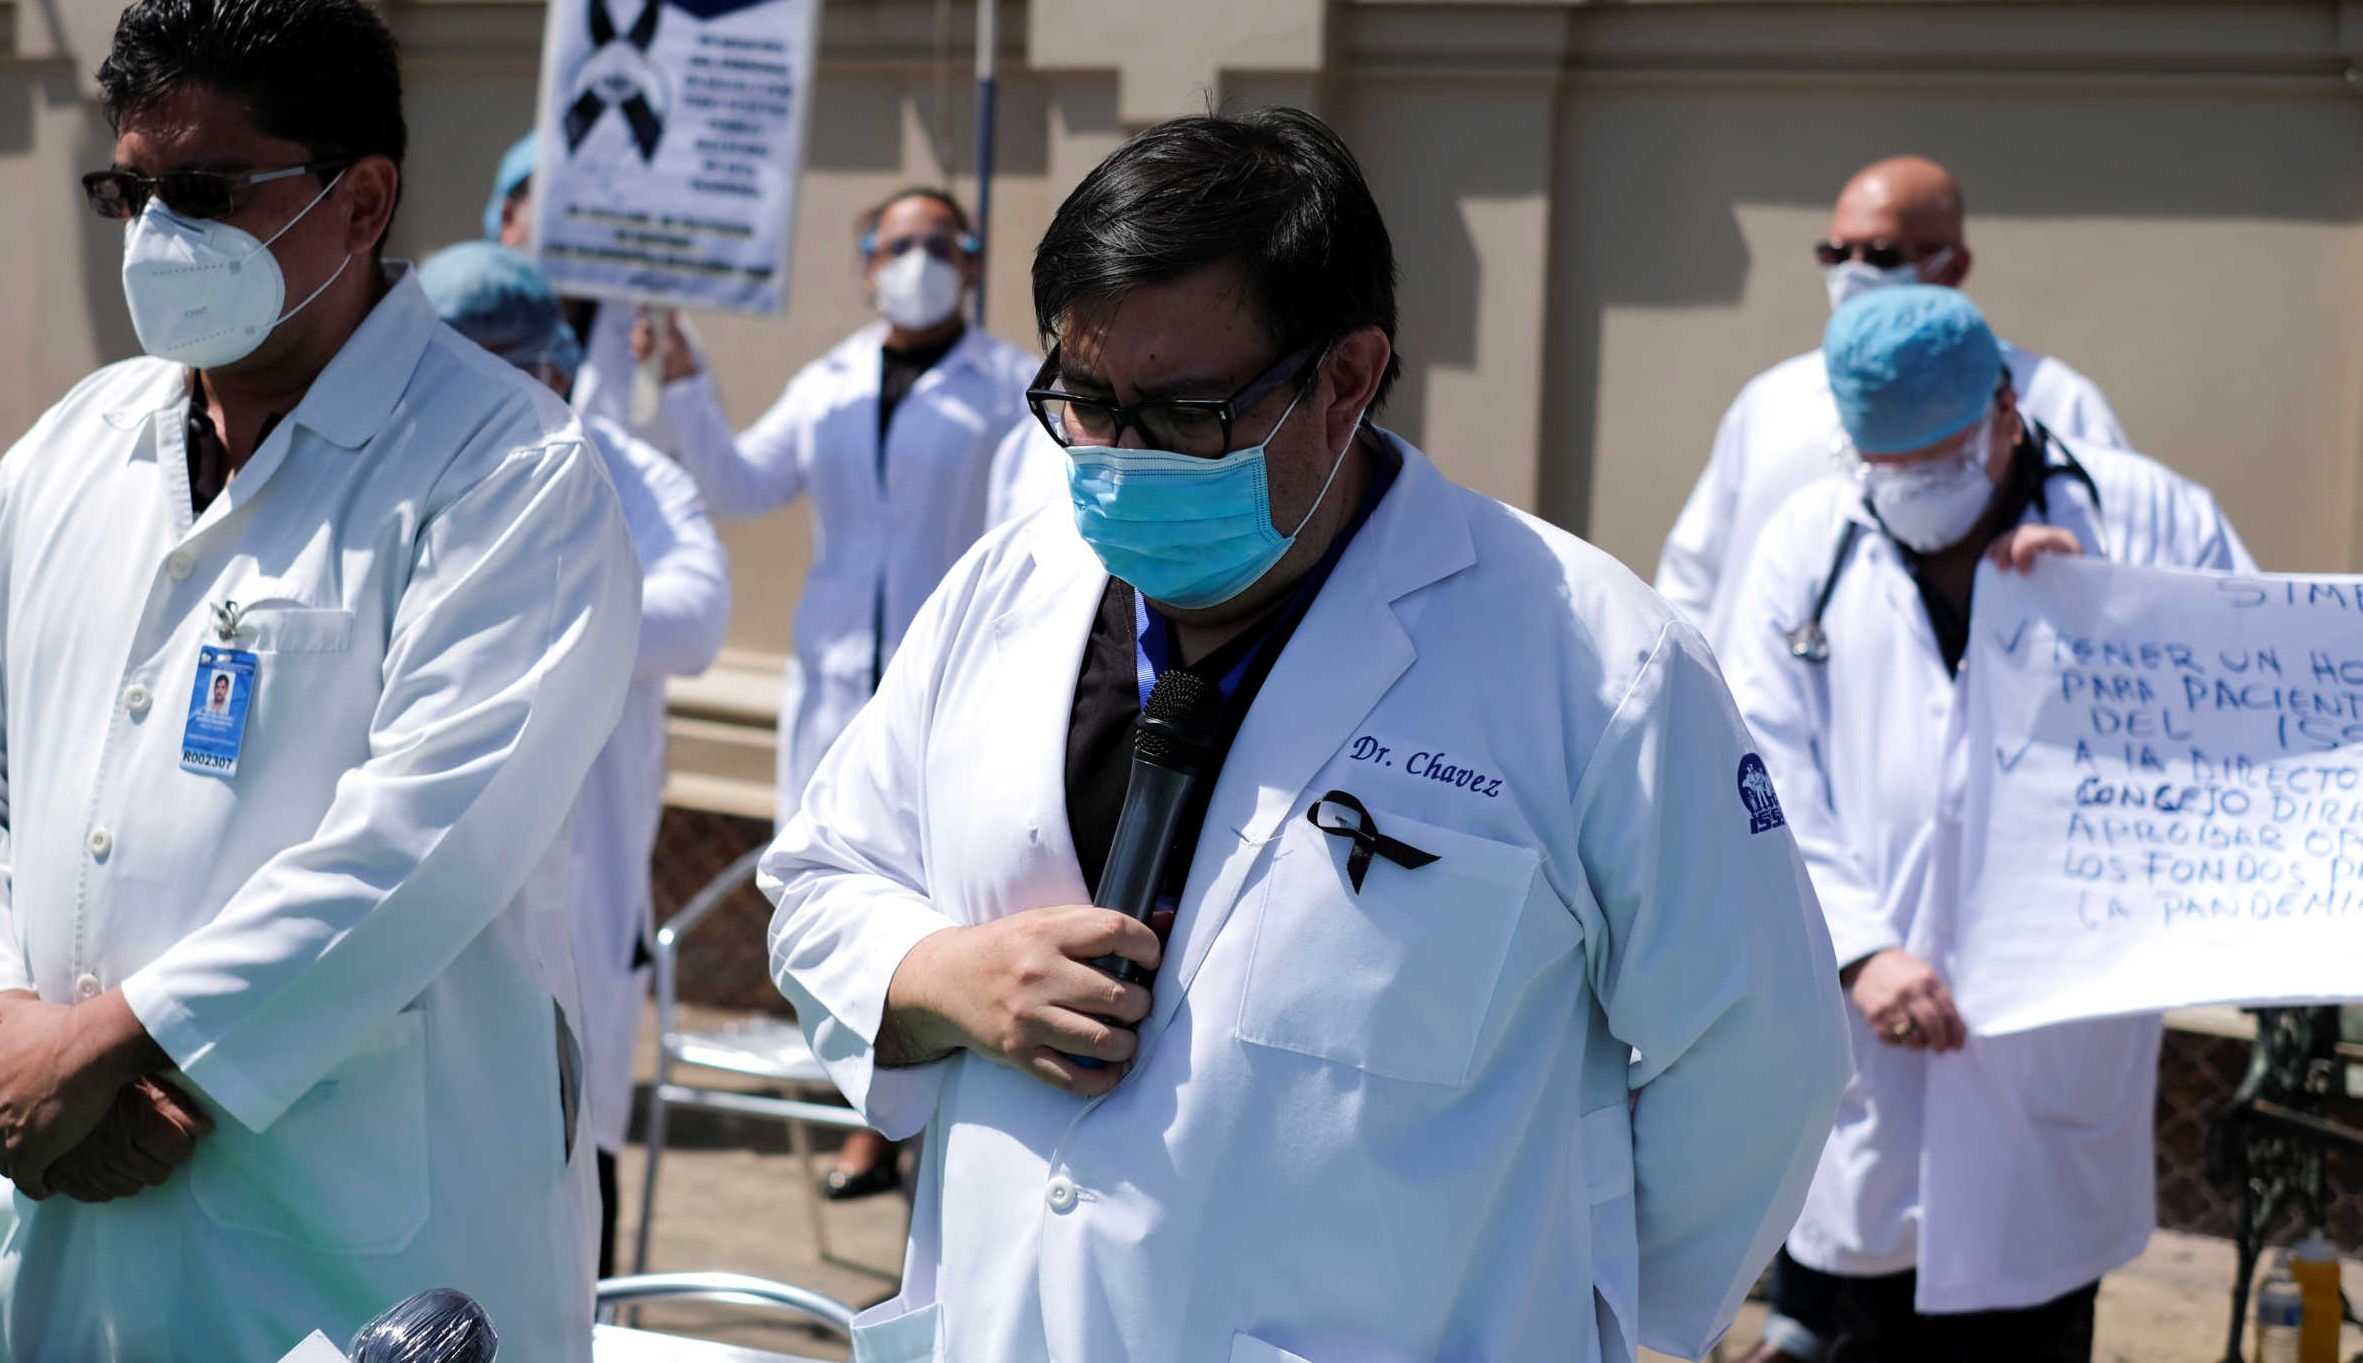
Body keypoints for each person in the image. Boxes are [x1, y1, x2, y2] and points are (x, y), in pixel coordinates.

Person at [760, 108, 1851, 1363]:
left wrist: (1573, 1296)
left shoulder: (1589, 660)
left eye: (1182, 412)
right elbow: (821, 876)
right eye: (1083, 402)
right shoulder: (1010, 585)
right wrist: (934, 975)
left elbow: (1759, 1055)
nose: (1119, 459)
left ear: (1343, 378)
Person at [0, 0, 640, 1363]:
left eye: (211, 191)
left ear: (361, 200)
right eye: (130, 193)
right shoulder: (75, 446)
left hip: (360, 1249)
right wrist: (0, 1027)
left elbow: (427, 844)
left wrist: (116, 1041)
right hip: (68, 1203)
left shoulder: (508, 472)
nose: (160, 233)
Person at [1720, 286, 2252, 1363]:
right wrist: (1859, 945)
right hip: (1865, 1051)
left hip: (2044, 1054)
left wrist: (2107, 615)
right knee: (1841, 1314)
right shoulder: (1804, 538)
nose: (1908, 483)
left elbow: (2233, 721)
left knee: (2032, 1319)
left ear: (2004, 410)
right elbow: (1753, 761)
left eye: (1936, 453)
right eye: (1884, 460)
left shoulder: (2150, 522)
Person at [657, 184, 1034, 1199]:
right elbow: (737, 487)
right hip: (831, 689)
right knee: (842, 895)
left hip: (958, 686)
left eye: (938, 241)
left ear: (968, 257)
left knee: (947, 896)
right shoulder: (826, 382)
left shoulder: (1013, 388)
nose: (917, 257)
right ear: (866, 261)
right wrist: (689, 386)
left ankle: (924, 1127)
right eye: (896, 241)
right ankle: (867, 1115)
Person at [423, 239, 732, 1274]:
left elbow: (696, 616)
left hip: (581, 880)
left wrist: (525, 609)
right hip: (419, 878)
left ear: (556, 366)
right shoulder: (384, 464)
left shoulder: (621, 466)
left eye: (514, 369)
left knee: (559, 1169)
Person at [1658, 156, 2126, 654]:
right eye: (1836, 254)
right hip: (1771, 694)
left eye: (1881, 255)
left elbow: (2118, 559)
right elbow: (1694, 573)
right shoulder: (1769, 403)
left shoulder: (2058, 401)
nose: (1853, 273)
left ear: (1956, 264)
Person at [484, 129, 672, 452]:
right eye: (562, 205)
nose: (582, 222)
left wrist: (670, 374)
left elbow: (700, 471)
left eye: (596, 204)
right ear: (508, 218)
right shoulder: (461, 320)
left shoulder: (654, 328)